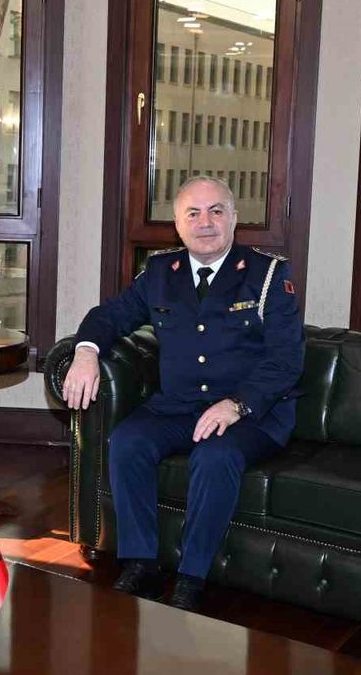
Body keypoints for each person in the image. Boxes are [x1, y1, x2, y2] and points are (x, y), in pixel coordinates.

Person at [62, 176, 304, 611]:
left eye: (216, 211)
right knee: (127, 440)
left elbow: (286, 359)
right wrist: (85, 352)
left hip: (252, 414)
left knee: (214, 456)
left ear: (234, 218)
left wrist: (238, 404)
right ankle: (141, 564)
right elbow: (110, 315)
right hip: (179, 407)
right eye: (193, 213)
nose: (205, 222)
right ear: (177, 224)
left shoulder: (268, 274)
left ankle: (191, 578)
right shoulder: (160, 272)